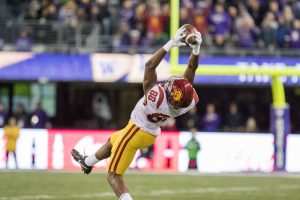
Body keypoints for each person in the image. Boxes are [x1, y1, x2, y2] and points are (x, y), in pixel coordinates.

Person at [71, 26, 202, 200]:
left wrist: (171, 43)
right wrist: (196, 49)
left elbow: (149, 66)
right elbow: (191, 72)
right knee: (113, 141)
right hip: (149, 131)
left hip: (138, 130)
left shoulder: (157, 97)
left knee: (113, 176)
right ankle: (87, 163)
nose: (171, 83)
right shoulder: (186, 103)